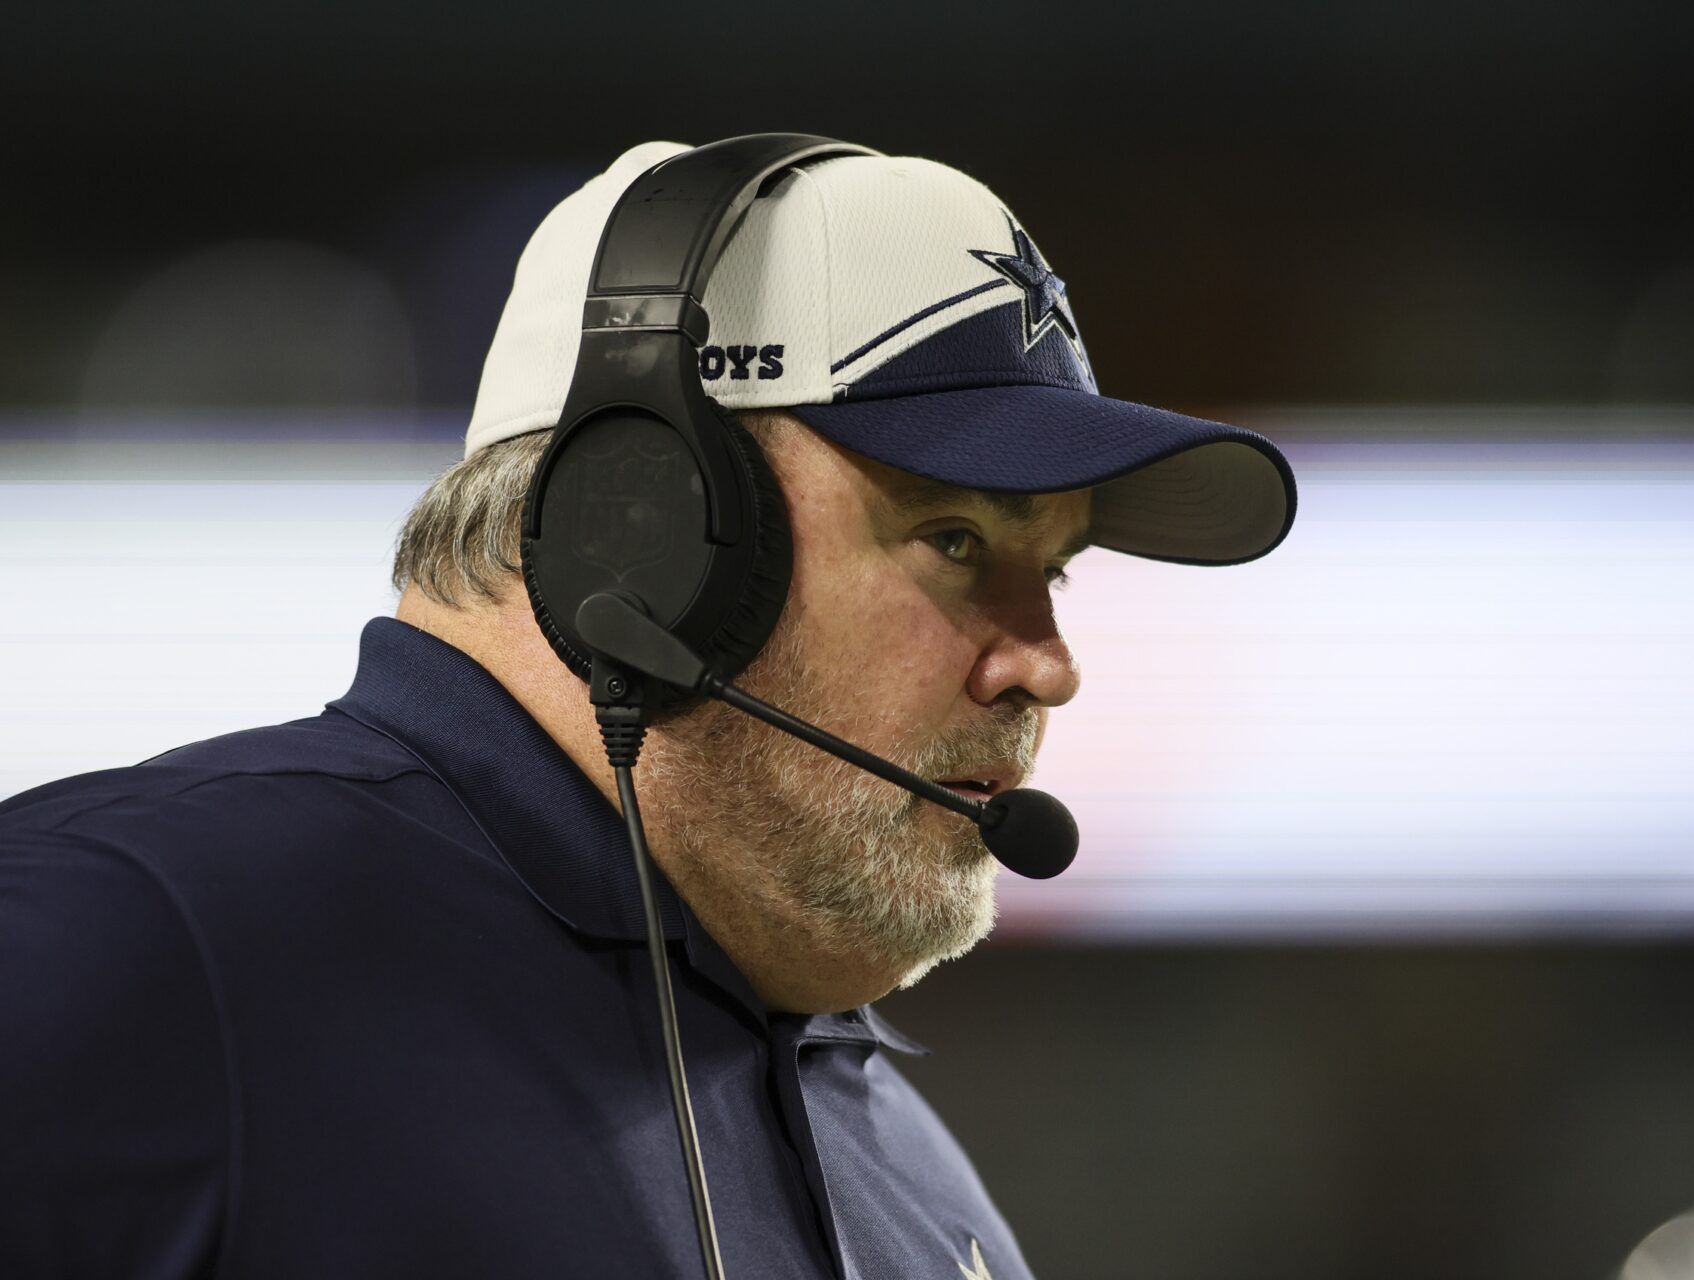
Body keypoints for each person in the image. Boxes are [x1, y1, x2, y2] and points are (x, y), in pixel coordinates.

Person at [0, 139, 1296, 1279]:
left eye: (1053, 569)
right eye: (955, 540)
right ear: (646, 532)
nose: (1046, 664)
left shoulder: (909, 1176)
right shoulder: (135, 941)